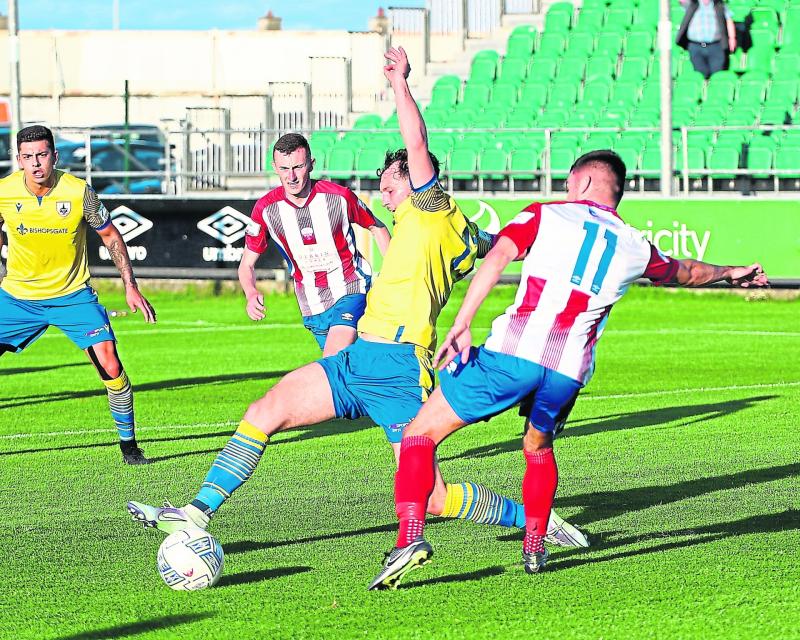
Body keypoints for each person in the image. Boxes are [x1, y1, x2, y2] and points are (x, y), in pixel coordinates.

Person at [126, 47, 586, 547]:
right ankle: (195, 513)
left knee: (432, 499)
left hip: (398, 364)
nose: (384, 198)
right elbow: (494, 248)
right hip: (360, 356)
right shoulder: (450, 228)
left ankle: (537, 522)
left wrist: (399, 83)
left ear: (414, 180)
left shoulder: (430, 208)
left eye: (389, 186)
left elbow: (417, 140)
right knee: (266, 409)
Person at [368, 149, 769, 590]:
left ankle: (409, 539)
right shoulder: (636, 246)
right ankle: (535, 544)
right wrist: (732, 272)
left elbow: (498, 257)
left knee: (418, 435)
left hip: (512, 355)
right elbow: (686, 271)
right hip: (567, 372)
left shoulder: (545, 214)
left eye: (567, 182)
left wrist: (462, 321)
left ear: (581, 183)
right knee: (537, 447)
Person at [0, 125, 156, 464]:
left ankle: (129, 447)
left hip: (72, 296)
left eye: (42, 155)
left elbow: (111, 236)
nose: (36, 163)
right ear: (18, 159)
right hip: (16, 299)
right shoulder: (3, 191)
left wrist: (130, 285)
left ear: (55, 156)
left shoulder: (79, 192)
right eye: (28, 157)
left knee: (111, 365)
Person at [240, 133, 390, 357]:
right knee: (347, 369)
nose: (291, 176)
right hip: (312, 302)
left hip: (351, 287)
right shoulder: (265, 210)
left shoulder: (339, 197)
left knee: (333, 359)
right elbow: (246, 265)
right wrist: (251, 292)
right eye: (284, 169)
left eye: (298, 167)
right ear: (274, 167)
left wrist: (393, 275)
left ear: (311, 164)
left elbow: (377, 226)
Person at [676, 0, 737, 79]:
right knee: (700, 75)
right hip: (695, 46)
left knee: (717, 76)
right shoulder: (692, 4)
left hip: (716, 46)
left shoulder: (719, 4)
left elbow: (729, 19)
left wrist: (732, 38)